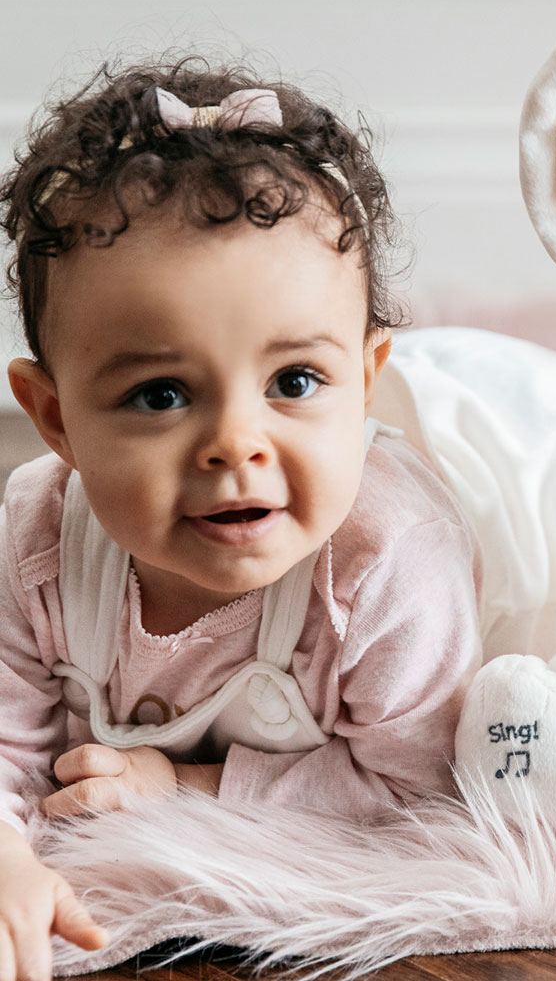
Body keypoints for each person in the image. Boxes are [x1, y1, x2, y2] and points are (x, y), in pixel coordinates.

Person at [0, 62, 494, 978]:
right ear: (55, 419)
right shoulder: (36, 542)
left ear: (363, 381)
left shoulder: (387, 564)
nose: (235, 443)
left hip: (510, 480)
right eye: (161, 394)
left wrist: (182, 787)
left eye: (294, 381)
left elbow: (415, 783)